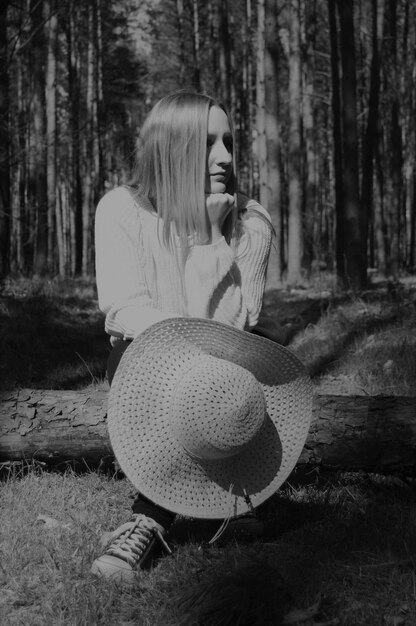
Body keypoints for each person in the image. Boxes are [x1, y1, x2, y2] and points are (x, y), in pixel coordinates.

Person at [91, 91, 288, 581]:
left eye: (228, 142)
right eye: (207, 144)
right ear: (172, 149)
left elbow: (234, 329)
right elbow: (123, 311)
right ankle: (216, 506)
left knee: (235, 367)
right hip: (151, 372)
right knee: (133, 354)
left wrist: (211, 238)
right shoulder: (121, 210)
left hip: (230, 376)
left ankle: (150, 519)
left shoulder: (251, 222)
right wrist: (186, 350)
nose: (225, 156)